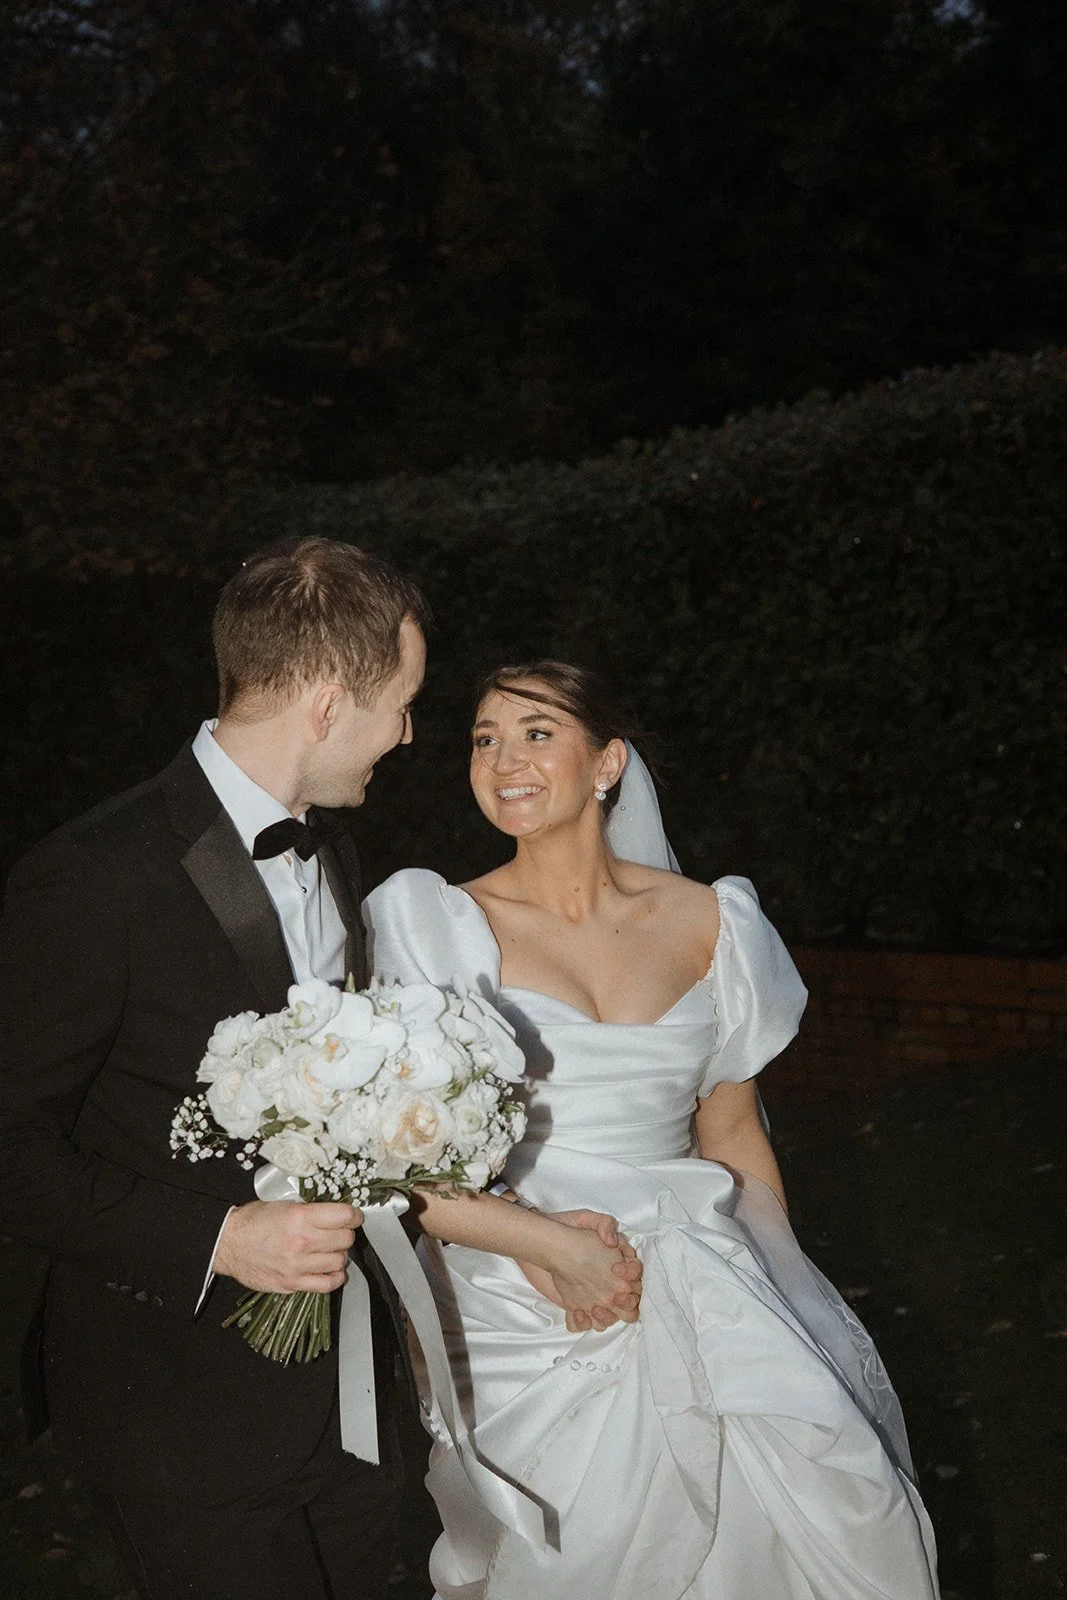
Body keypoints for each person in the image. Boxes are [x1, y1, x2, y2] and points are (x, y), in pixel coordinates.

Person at [0, 549, 638, 1600]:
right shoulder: (91, 876)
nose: (408, 734)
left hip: (347, 1404)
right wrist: (220, 1238)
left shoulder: (332, 853)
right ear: (329, 703)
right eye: (401, 704)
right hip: (178, 1408)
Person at [364, 660, 942, 1600]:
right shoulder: (432, 920)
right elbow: (401, 1162)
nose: (503, 761)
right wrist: (542, 1249)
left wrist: (776, 1284)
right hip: (525, 1299)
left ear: (608, 763)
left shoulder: (715, 920)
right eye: (483, 739)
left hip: (700, 1272)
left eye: (536, 733)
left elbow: (733, 1131)